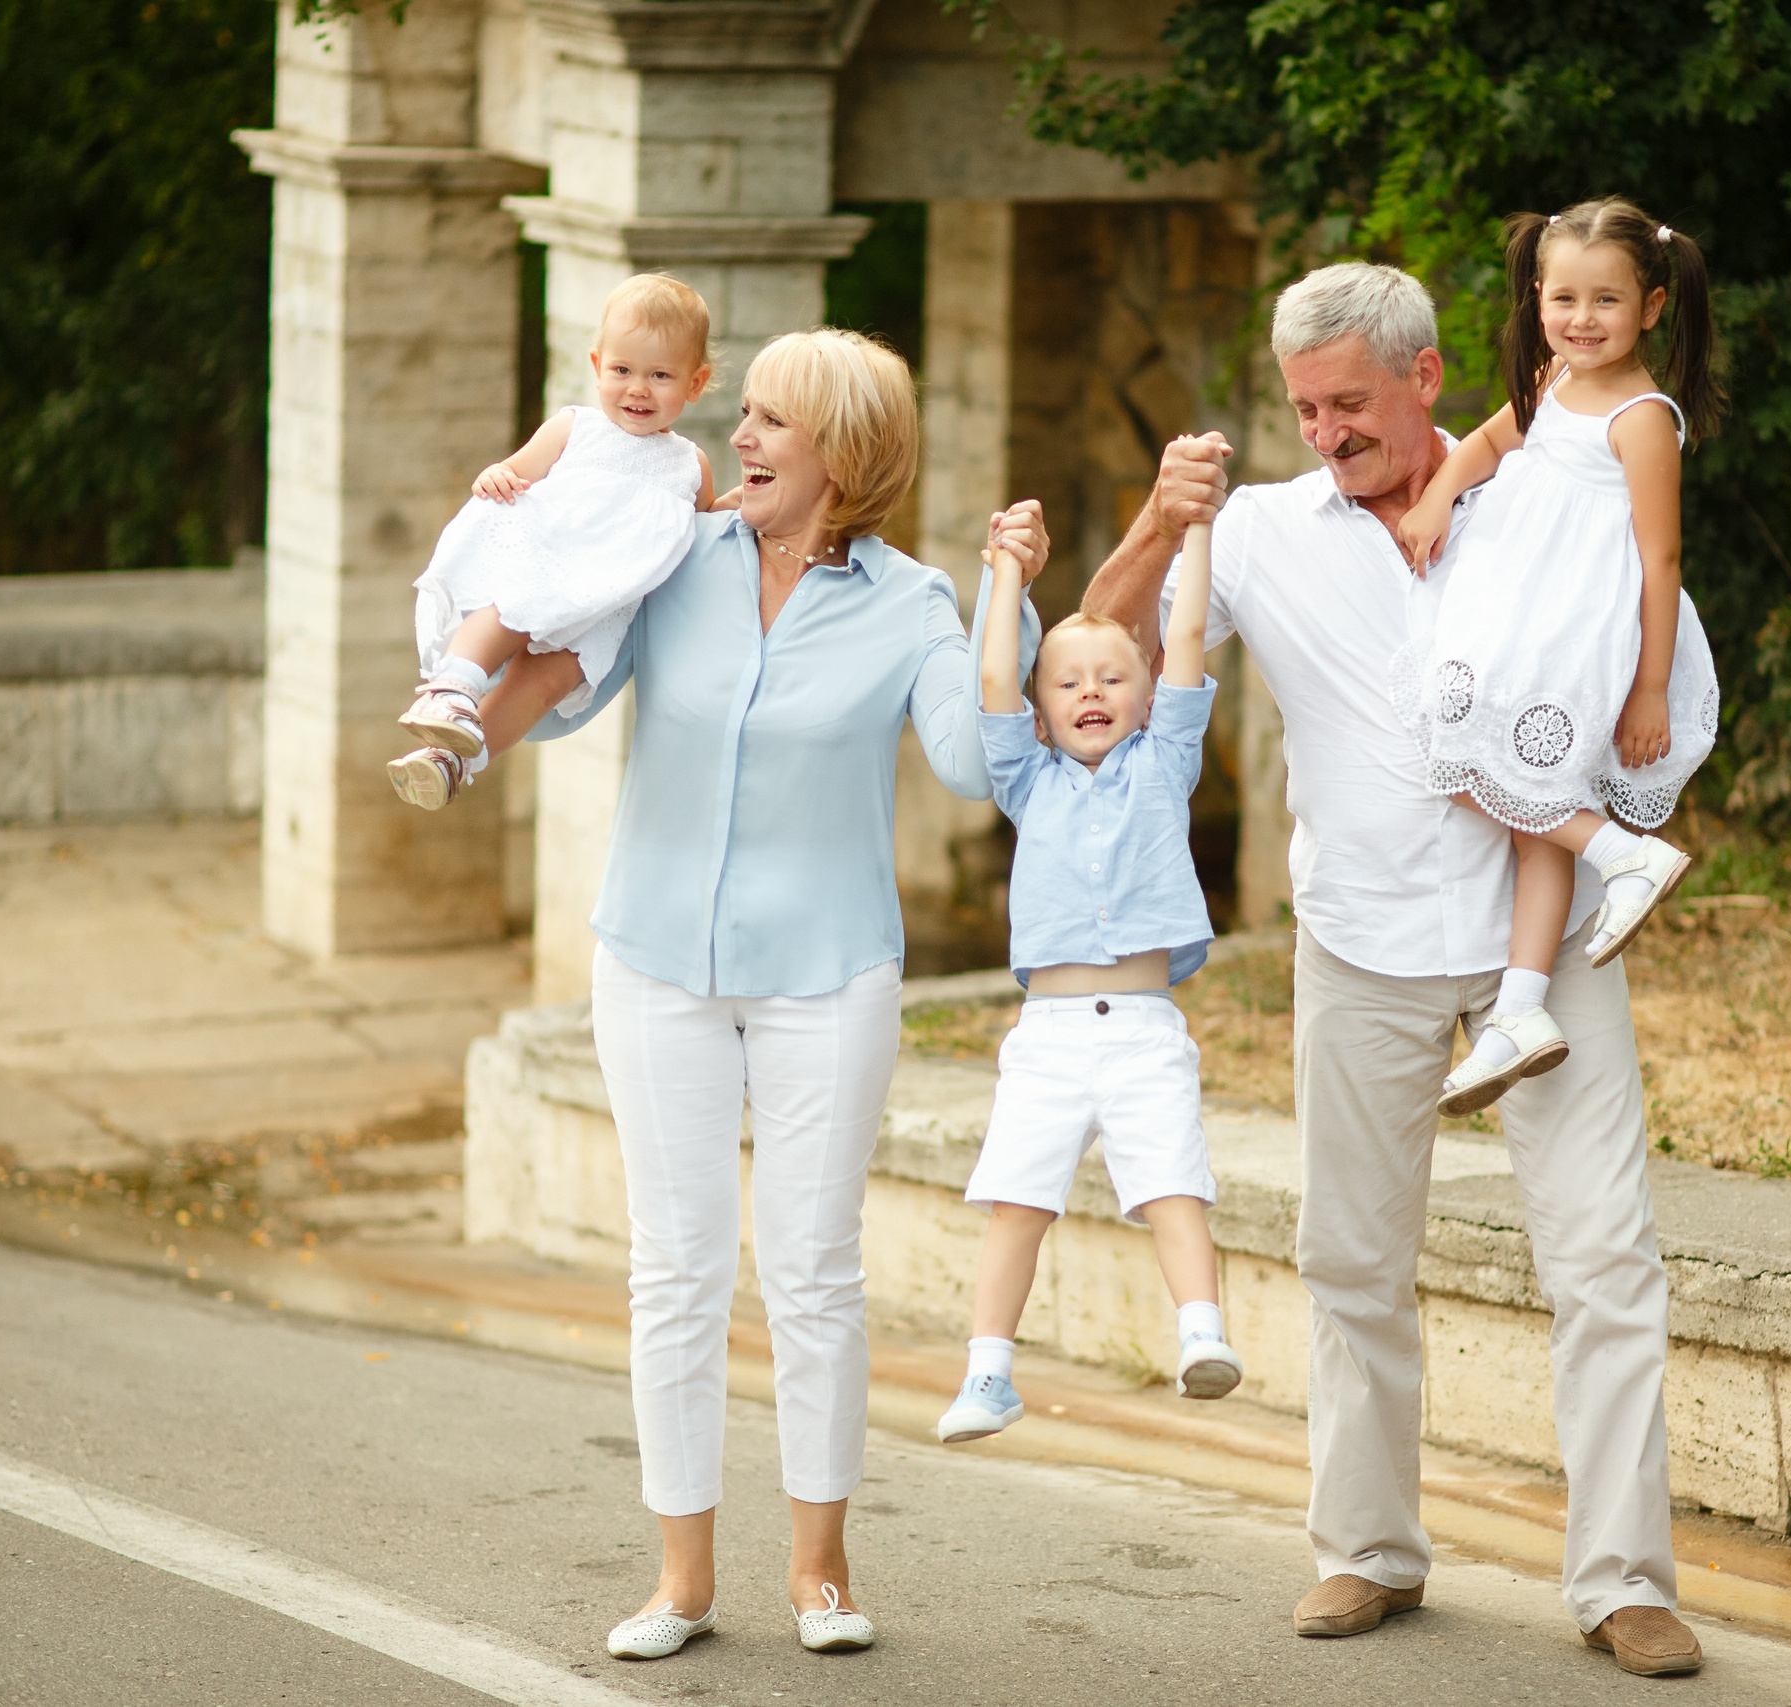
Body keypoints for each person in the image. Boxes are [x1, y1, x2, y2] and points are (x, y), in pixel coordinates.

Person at [1081, 263, 1704, 1678]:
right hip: (1358, 941)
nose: (1327, 433)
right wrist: (1158, 522)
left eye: (1350, 403)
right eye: (1304, 409)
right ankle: (1365, 1550)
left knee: (1606, 1257)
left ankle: (1624, 1580)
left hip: (1539, 940)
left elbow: (1643, 606)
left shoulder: (1541, 491)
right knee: (1351, 1258)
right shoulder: (1258, 530)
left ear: (1426, 379)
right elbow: (1101, 659)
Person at [522, 328, 1046, 1664]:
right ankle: (681, 1581)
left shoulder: (913, 601)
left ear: (842, 456)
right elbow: (565, 707)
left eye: (769, 421)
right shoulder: (673, 558)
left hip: (829, 973)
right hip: (656, 960)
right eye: (742, 412)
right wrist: (506, 606)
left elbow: (977, 766)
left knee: (811, 1271)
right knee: (675, 1268)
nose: (738, 439)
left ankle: (820, 1569)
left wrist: (1008, 596)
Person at [1390, 198, 1723, 1116]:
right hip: (1517, 615)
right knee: (1533, 815)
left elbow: (1661, 557)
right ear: (1537, 296)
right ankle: (1522, 1008)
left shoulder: (1643, 417)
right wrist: (1439, 496)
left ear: (1651, 307)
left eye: (1605, 301)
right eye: (1562, 297)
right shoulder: (1552, 378)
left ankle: (1625, 854)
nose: (1581, 318)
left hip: (1573, 632)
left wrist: (1649, 686)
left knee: (1463, 760)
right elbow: (1492, 440)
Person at [934, 491, 1245, 1446]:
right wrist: (1004, 571)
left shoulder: (1167, 763)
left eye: (1113, 677)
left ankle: (1202, 1334)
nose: (1091, 692)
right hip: (1051, 1038)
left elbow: (1184, 634)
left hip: (1145, 1029)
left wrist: (1199, 528)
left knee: (1173, 1186)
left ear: (1148, 695)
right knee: (1017, 1201)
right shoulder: (1026, 780)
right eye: (1068, 683)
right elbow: (994, 674)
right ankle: (989, 1373)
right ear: (1041, 709)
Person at [388, 273, 725, 810]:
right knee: (507, 611)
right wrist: (496, 475)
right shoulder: (575, 428)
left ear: (695, 383)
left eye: (660, 375)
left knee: (546, 682)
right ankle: (453, 686)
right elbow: (516, 472)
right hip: (547, 565)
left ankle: (453, 762)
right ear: (597, 365)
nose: (638, 388)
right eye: (622, 370)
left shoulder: (689, 464)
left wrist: (740, 508)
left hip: (602, 605)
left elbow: (704, 533)